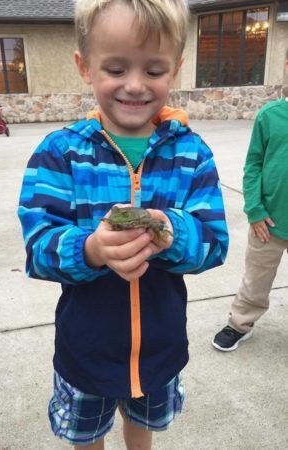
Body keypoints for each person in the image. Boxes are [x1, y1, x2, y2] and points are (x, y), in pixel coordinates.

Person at [18, 0, 228, 448]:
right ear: (85, 67)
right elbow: (38, 247)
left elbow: (215, 243)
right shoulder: (59, 153)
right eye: (115, 68)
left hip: (160, 347)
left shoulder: (191, 153)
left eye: (154, 70)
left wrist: (170, 232)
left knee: (144, 427)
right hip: (85, 348)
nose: (134, 85)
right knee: (87, 434)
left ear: (176, 69)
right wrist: (90, 249)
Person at [212, 89, 288, 352]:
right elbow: (253, 164)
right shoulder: (270, 115)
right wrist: (255, 210)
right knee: (256, 278)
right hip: (270, 221)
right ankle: (240, 323)